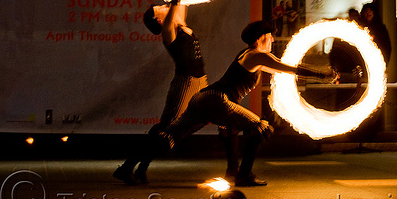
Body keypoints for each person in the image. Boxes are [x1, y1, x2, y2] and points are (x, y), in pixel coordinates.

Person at [115, 20, 336, 186]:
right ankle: (244, 175)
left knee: (170, 135)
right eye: (270, 36)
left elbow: (281, 70)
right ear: (261, 38)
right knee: (261, 127)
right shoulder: (257, 55)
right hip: (218, 100)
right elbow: (289, 68)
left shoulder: (251, 56)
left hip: (203, 98)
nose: (272, 40)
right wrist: (322, 74)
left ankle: (127, 167)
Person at [113, 0, 208, 185]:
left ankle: (138, 168)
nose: (164, 6)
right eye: (159, 8)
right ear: (158, 20)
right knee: (166, 128)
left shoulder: (180, 23)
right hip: (185, 82)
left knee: (187, 125)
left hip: (199, 80)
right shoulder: (169, 32)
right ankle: (129, 167)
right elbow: (175, 0)